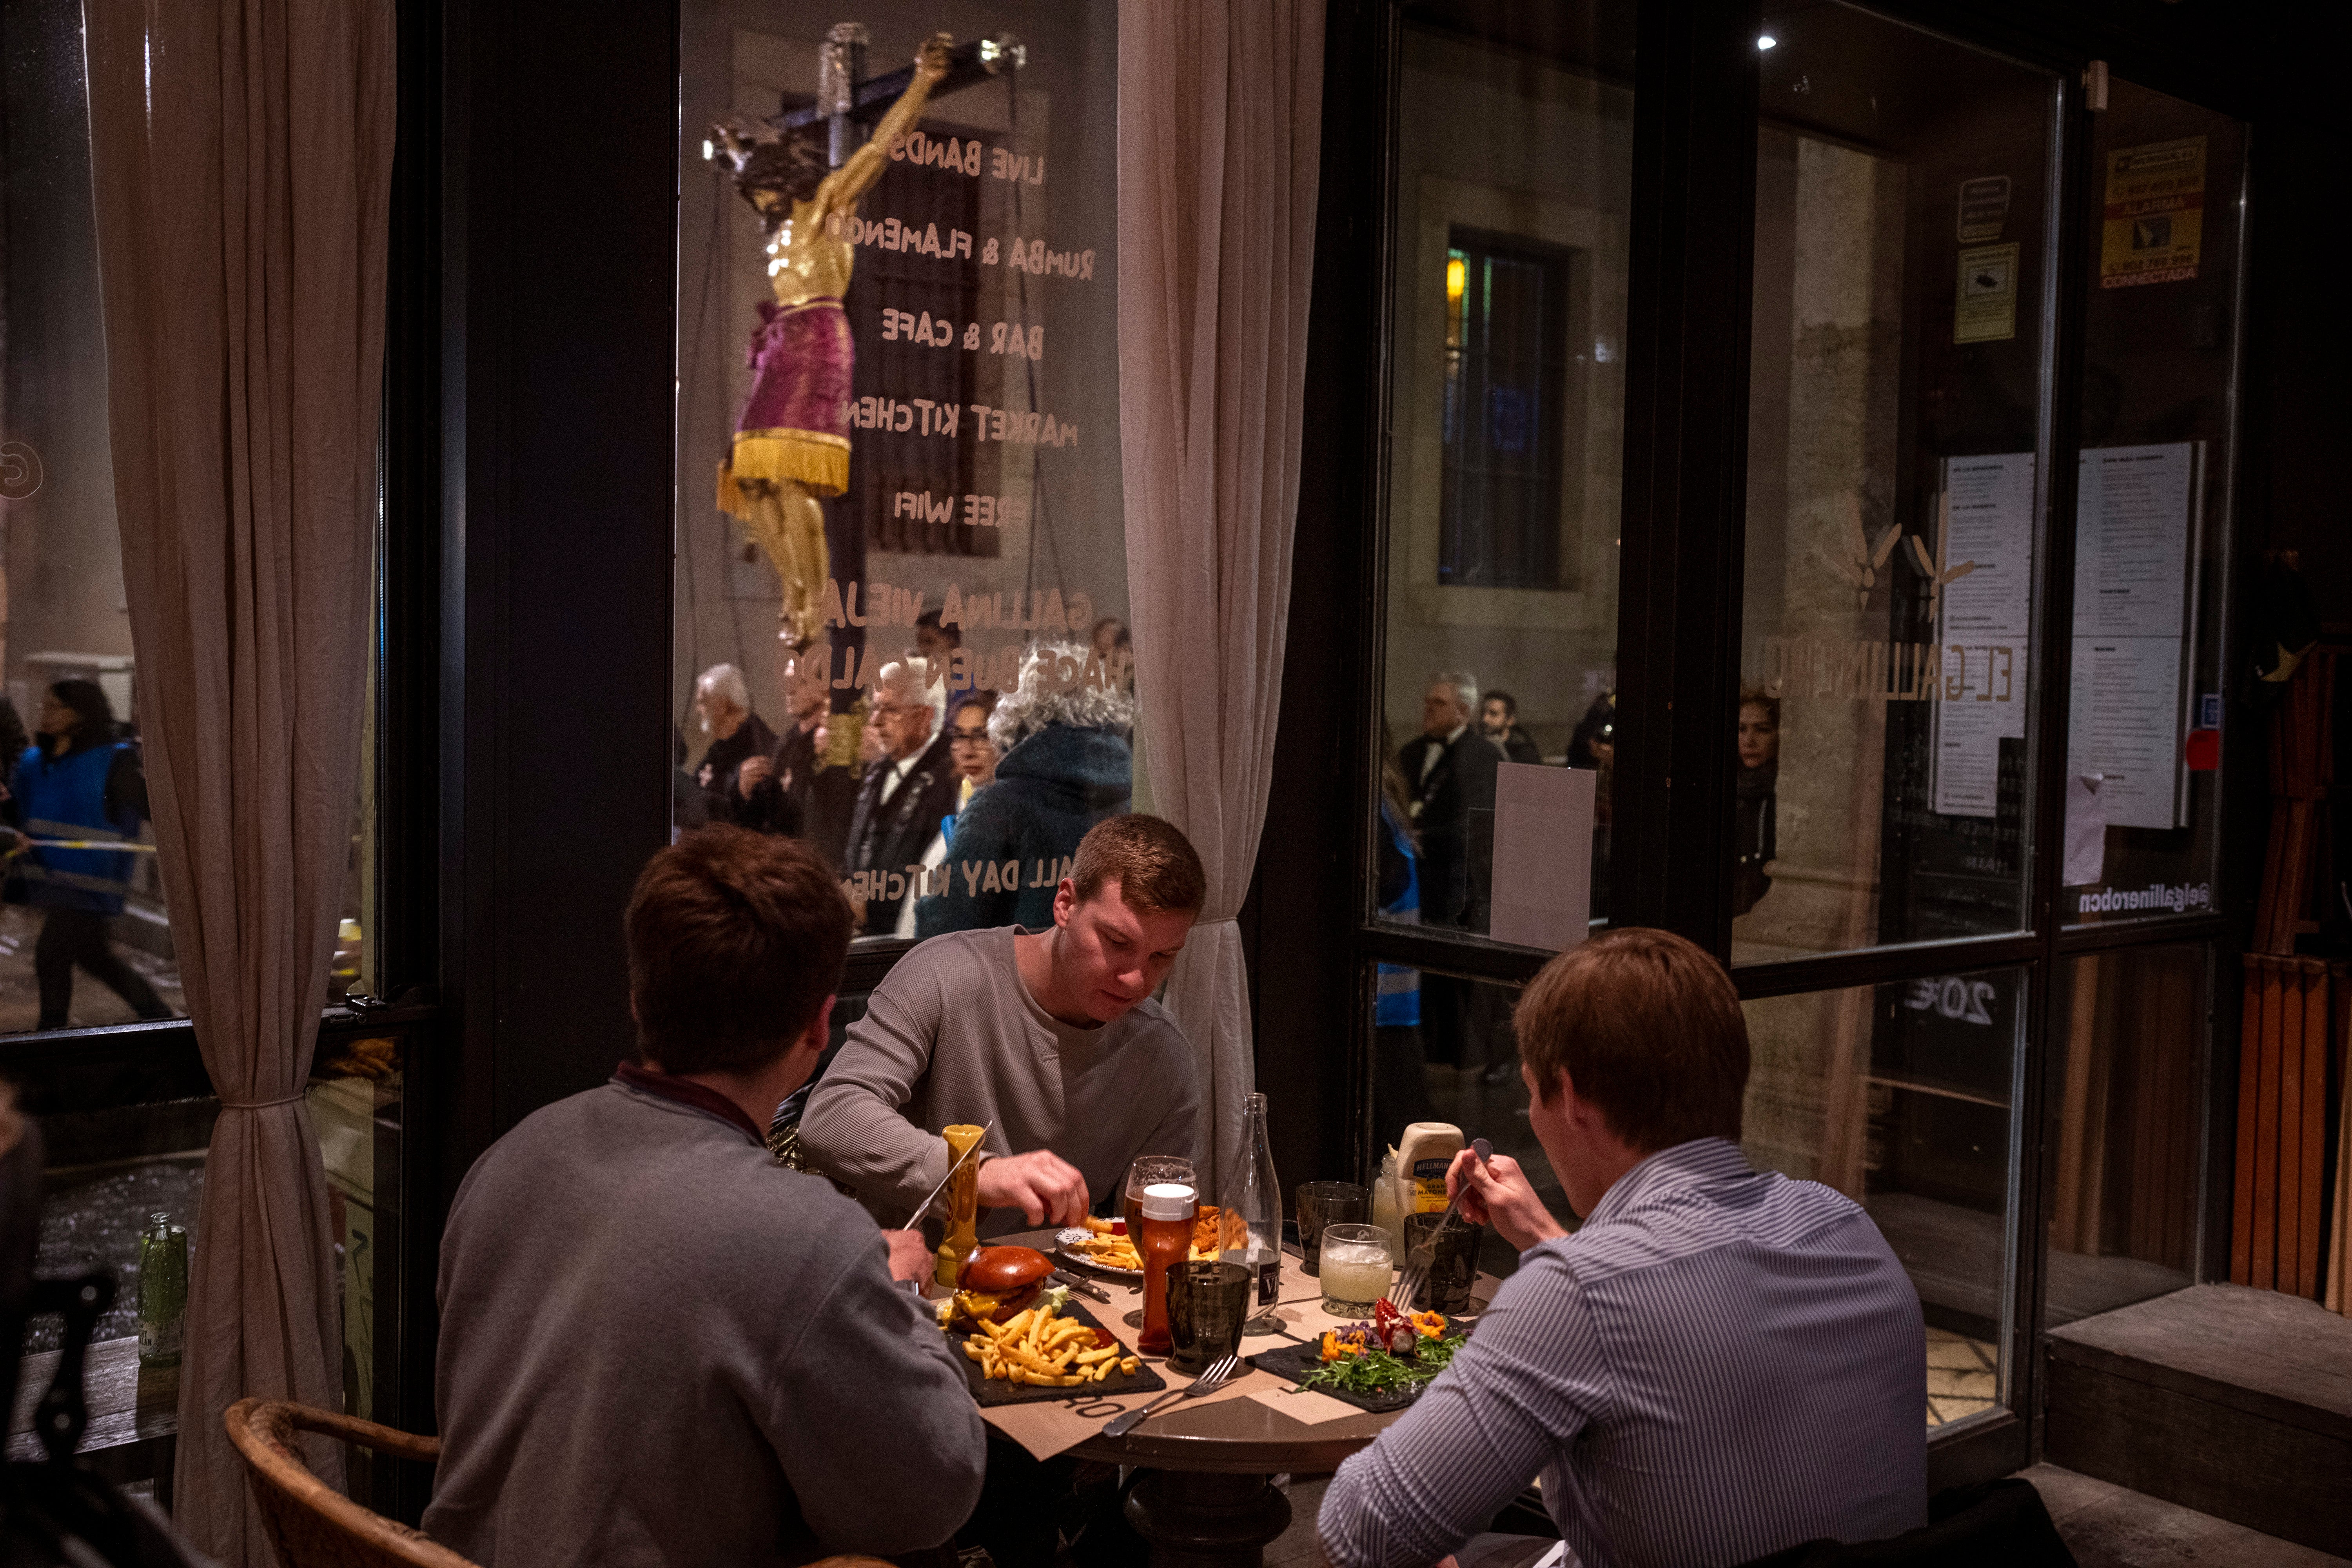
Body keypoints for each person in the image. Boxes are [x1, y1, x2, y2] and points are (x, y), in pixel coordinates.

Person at [424, 828, 985, 1567]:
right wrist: (895, 1296)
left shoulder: (514, 1154)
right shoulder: (810, 1238)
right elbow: (930, 1498)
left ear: (638, 997)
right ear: (821, 1028)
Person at [1318, 929, 1926, 1568]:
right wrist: (1547, 1240)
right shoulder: (1846, 1228)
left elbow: (1361, 1533)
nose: (1532, 1113)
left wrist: (1562, 1270)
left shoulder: (1579, 1294)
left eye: (1532, 1091)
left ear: (1573, 1096)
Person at [800, 812, 1202, 1240]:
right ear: (1065, 904)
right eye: (1118, 943)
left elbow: (1153, 1236)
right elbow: (831, 1115)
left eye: (1162, 957)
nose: (1137, 979)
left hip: (1056, 1289)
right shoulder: (945, 974)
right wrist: (975, 1174)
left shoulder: (1163, 1054)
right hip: (908, 1278)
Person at [712, 34, 954, 641]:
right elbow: (743, 164)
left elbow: (877, 149)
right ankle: (791, 587)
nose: (757, 199)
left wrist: (922, 84)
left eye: (760, 188)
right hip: (780, 343)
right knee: (750, 474)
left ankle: (814, 600)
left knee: (792, 477)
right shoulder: (774, 228)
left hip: (819, 335)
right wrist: (730, 149)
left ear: (779, 183)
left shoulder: (822, 206)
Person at [913, 639, 1133, 938]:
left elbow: (944, 928)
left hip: (1019, 980)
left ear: (1021, 709)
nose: (967, 749)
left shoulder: (999, 806)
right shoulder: (1128, 797)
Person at [3, 681, 171, 1031]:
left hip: (92, 885)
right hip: (49, 880)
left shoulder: (113, 760)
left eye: (55, 708)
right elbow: (19, 814)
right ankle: (158, 1017)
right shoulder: (36, 762)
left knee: (51, 955)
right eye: (44, 707)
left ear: (80, 713)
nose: (45, 715)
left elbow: (151, 809)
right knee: (95, 959)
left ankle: (51, 1039)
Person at [842, 657, 959, 936]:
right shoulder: (877, 771)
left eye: (890, 709)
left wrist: (871, 907)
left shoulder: (950, 780)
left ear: (925, 716)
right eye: (876, 708)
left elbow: (941, 876)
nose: (876, 721)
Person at [739, 637, 859, 869]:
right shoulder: (785, 744)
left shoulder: (836, 744)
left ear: (826, 687)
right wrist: (746, 793)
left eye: (801, 682)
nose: (790, 691)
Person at [888, 692, 1001, 941]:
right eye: (960, 736)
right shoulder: (956, 808)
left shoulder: (1000, 819)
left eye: (981, 736)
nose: (968, 751)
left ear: (1003, 740)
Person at [1372, 731, 1436, 1135]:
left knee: (1403, 1129)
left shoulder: (1374, 809)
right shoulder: (1388, 800)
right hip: (1394, 993)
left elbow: (1388, 884)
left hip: (1384, 996)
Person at [690, 663, 777, 828]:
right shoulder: (719, 748)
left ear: (721, 706)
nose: (698, 710)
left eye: (702, 702)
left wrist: (740, 794)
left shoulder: (761, 748)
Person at [1734, 686, 1780, 917]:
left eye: (1762, 730)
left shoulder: (1780, 793)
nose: (1749, 741)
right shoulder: (1728, 786)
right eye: (1741, 729)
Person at [1481, 690, 1543, 766]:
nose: (1485, 719)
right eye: (1483, 713)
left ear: (1510, 720)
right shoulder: (1476, 745)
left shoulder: (1524, 751)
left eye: (1494, 714)